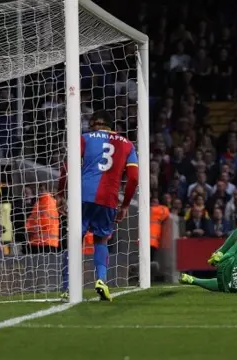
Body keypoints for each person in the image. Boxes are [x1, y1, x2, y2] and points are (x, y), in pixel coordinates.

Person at [57, 110, 139, 301]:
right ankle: (101, 280)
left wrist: (60, 193)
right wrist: (125, 205)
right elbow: (134, 179)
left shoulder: (84, 138)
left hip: (83, 196)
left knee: (75, 240)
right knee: (101, 241)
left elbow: (68, 167)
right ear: (112, 126)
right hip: (109, 198)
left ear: (93, 123)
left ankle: (68, 287)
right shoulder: (127, 145)